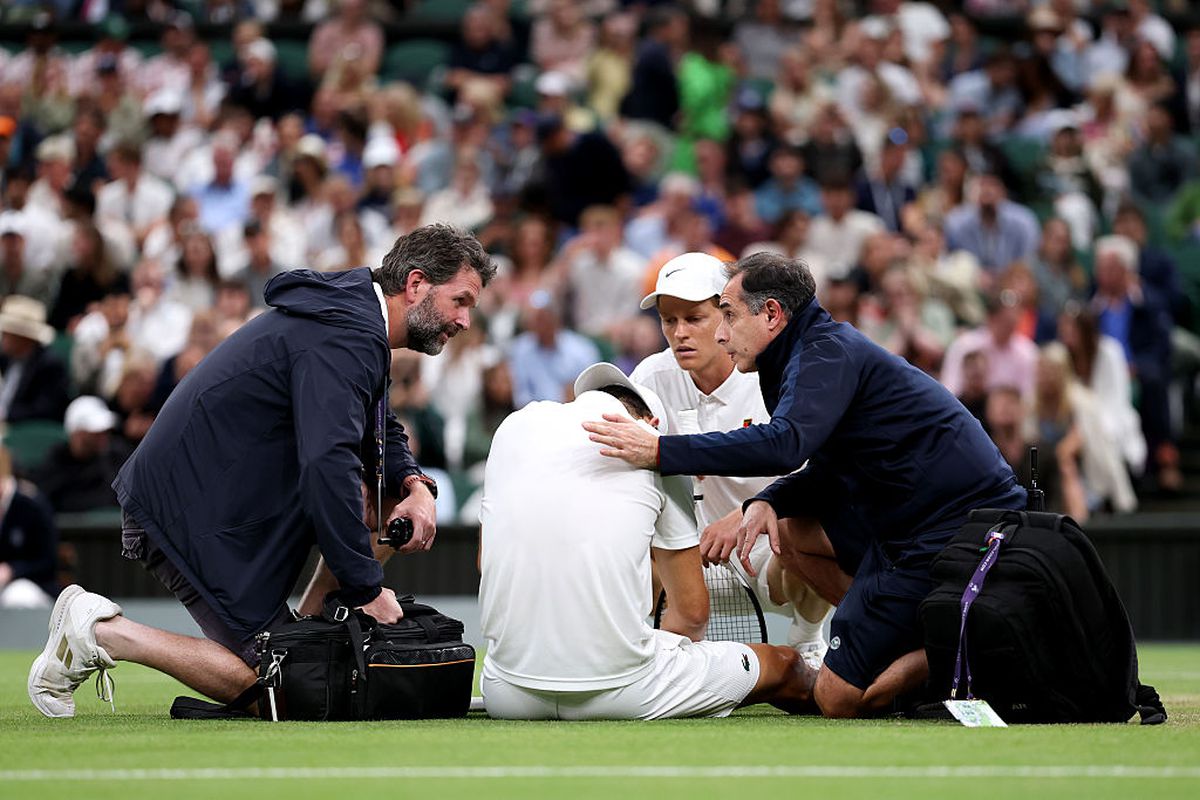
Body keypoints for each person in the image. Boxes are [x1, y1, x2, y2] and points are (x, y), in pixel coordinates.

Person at [28, 225, 495, 719]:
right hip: (188, 507)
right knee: (276, 689)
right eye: (460, 300)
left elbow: (376, 423)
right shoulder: (349, 330)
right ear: (417, 284)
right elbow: (327, 463)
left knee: (381, 502)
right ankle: (100, 631)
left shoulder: (355, 319)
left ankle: (310, 633)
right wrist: (366, 589)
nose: (465, 320)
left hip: (216, 491)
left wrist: (414, 484)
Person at [582, 253, 1025, 718]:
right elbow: (828, 469)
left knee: (835, 700)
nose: (718, 332)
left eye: (726, 315)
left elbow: (786, 445)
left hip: (958, 529)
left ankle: (961, 646)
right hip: (903, 525)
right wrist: (769, 499)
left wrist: (660, 451)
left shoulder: (824, 352)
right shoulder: (797, 355)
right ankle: (900, 641)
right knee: (791, 531)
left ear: (772, 314)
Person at [480, 362, 814, 720]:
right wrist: (664, 646)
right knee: (785, 664)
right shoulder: (655, 451)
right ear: (652, 425)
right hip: (626, 691)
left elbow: (485, 564)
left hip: (506, 692)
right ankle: (851, 694)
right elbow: (692, 614)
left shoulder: (512, 429)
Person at [630, 253, 830, 665]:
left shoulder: (774, 377)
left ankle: (807, 638)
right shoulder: (649, 379)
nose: (679, 333)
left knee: (815, 524)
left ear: (725, 316)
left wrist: (744, 514)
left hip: (762, 555)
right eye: (669, 321)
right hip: (678, 562)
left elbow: (817, 474)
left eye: (694, 318)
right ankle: (629, 652)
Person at [30, 396, 130, 514]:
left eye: (105, 430)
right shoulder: (55, 464)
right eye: (94, 431)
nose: (103, 436)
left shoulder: (116, 458)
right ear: (76, 434)